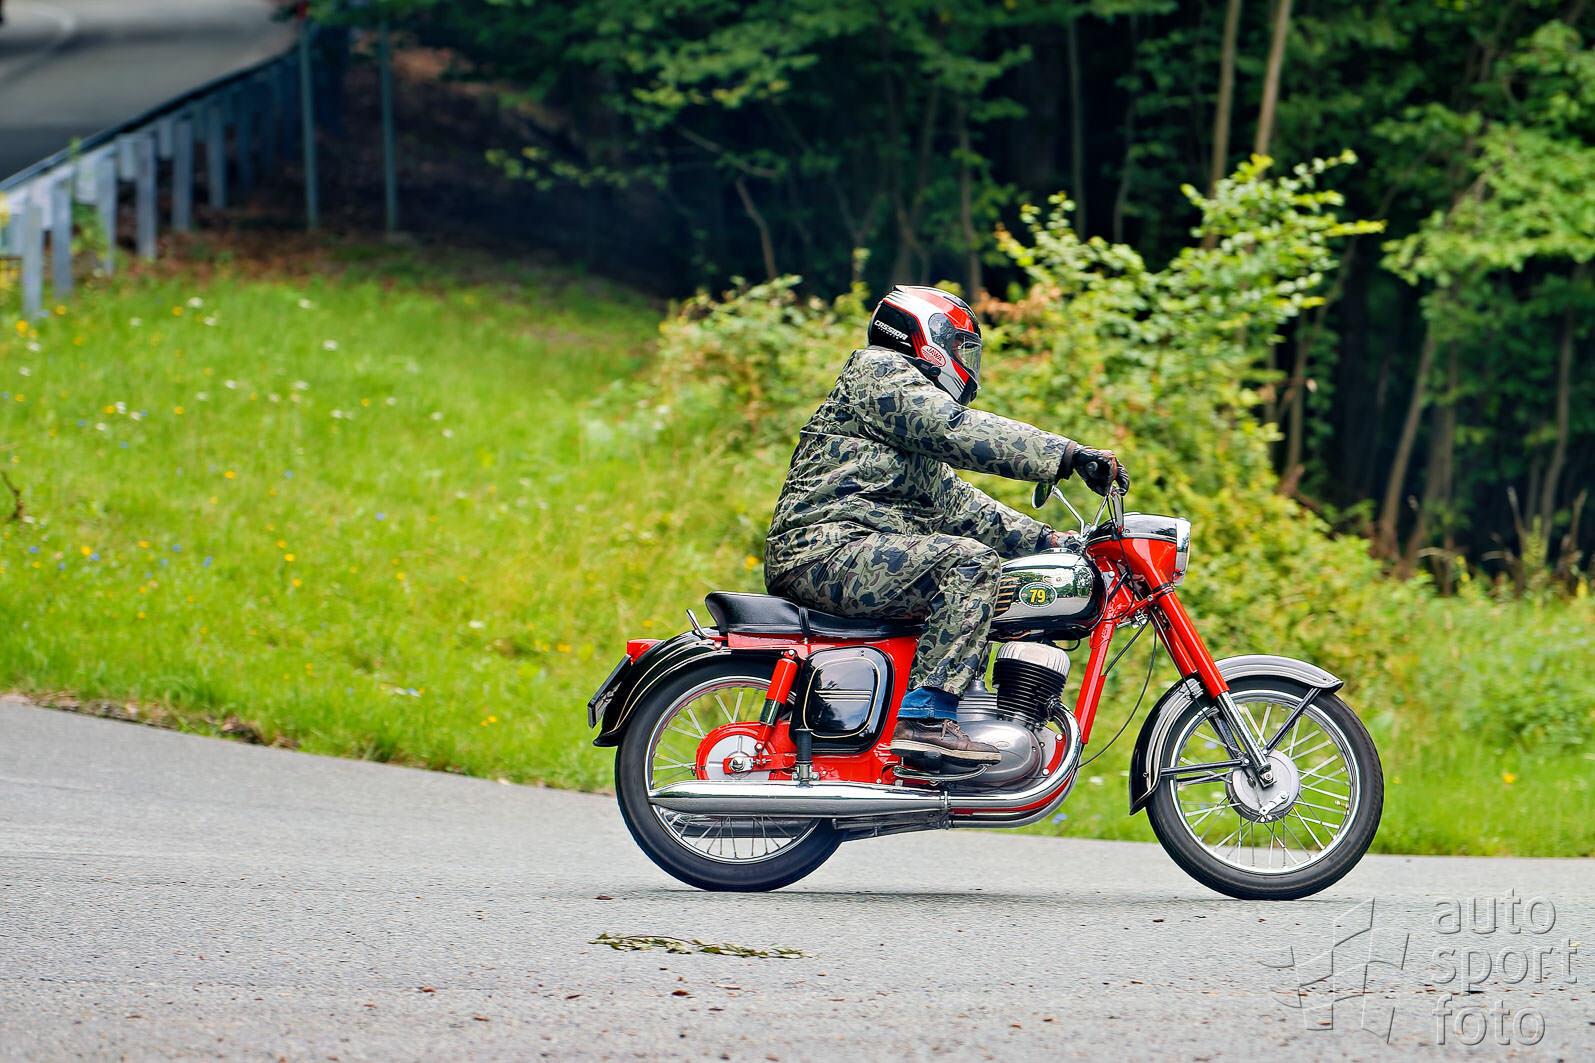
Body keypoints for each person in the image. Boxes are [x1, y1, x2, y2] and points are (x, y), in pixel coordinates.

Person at [763, 286, 1129, 766]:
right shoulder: (879, 374)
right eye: (961, 346)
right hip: (824, 550)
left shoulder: (902, 432)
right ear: (924, 334)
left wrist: (1050, 540)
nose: (966, 361)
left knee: (978, 564)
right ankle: (925, 720)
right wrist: (1066, 455)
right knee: (968, 564)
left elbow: (960, 506)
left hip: (849, 552)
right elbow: (955, 429)